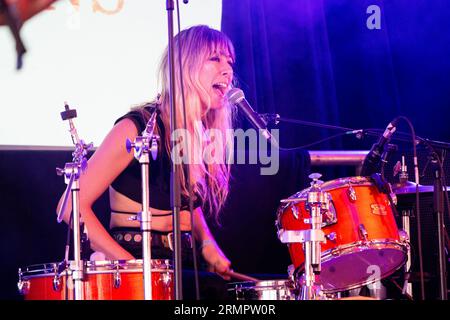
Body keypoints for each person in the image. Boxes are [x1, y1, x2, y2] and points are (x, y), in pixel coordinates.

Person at [57, 25, 237, 299]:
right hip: (137, 261)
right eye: (215, 58)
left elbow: (188, 201)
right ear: (184, 67)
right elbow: (70, 206)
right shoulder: (137, 128)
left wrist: (208, 244)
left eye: (229, 61)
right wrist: (134, 268)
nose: (227, 69)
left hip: (185, 264)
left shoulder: (198, 134)